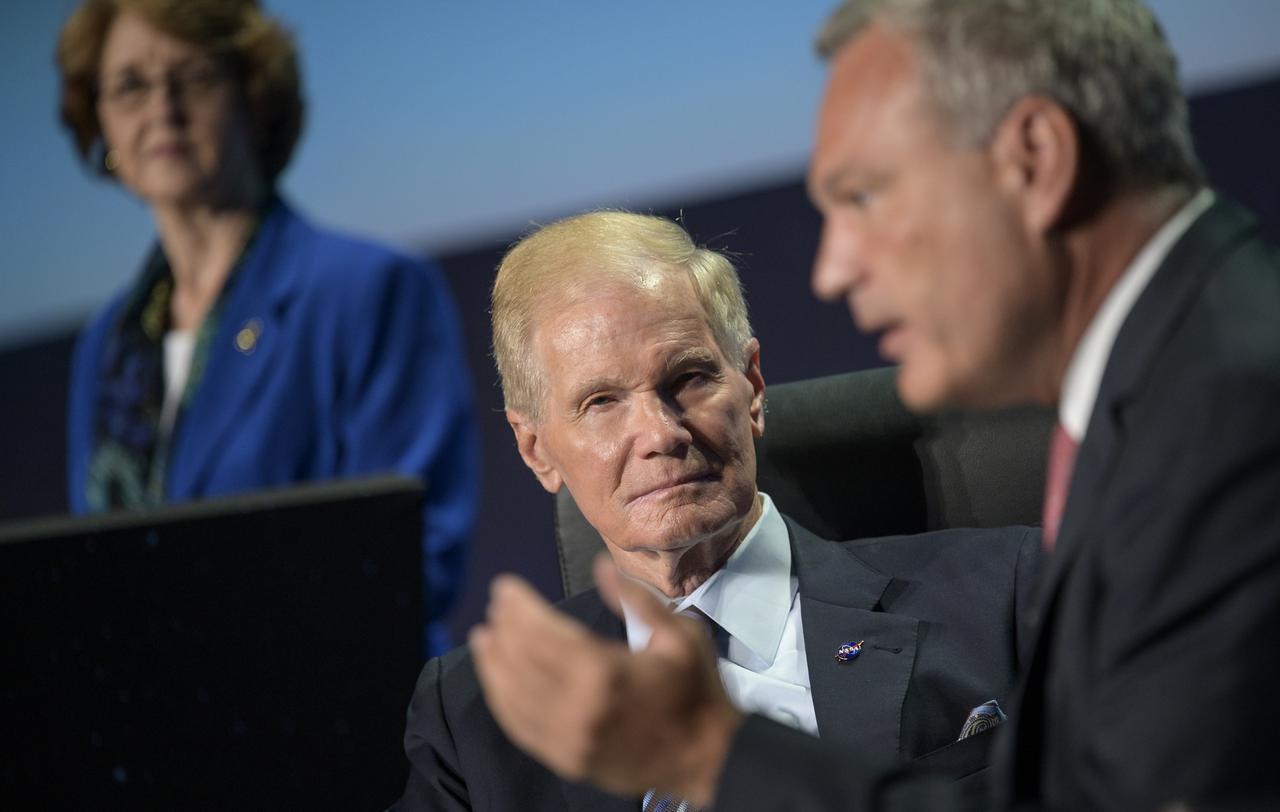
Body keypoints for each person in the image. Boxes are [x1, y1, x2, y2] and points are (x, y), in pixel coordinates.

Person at [465, 1, 1280, 810]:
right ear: (534, 447)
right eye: (601, 402)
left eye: (864, 195)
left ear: (1035, 157)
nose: (832, 269)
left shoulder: (1232, 418)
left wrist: (713, 755)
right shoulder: (1175, 398)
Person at [393, 211, 1040, 811]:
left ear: (752, 386)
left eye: (689, 378)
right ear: (537, 450)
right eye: (601, 402)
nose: (659, 433)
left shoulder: (1000, 596)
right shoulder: (477, 721)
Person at [56, 0, 476, 656]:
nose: (161, 108)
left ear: (253, 96)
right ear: (100, 122)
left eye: (193, 76)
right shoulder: (105, 348)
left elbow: (415, 559)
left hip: (338, 723)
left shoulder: (369, 288)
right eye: (130, 85)